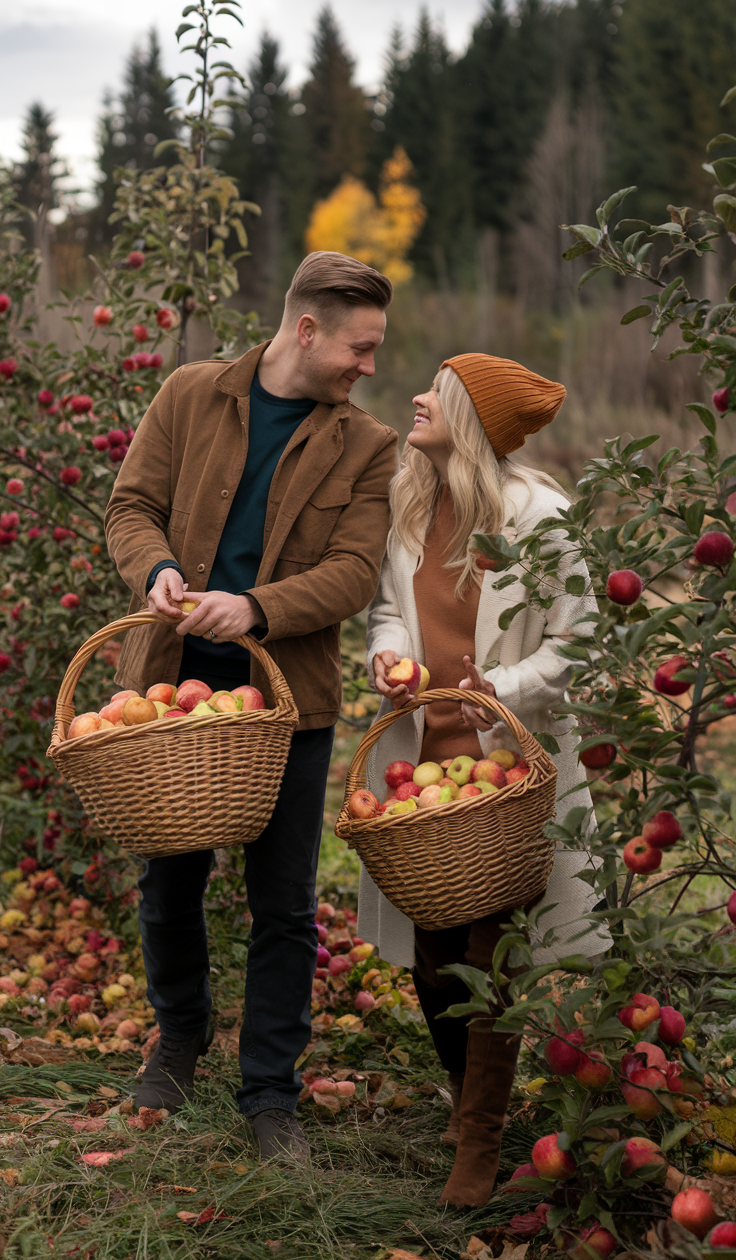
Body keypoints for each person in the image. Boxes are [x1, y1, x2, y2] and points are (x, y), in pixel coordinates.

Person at [104, 251, 398, 1160]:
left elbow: (352, 572)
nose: (370, 366)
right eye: (360, 346)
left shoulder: (367, 446)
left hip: (284, 701)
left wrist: (260, 609)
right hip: (167, 684)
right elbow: (132, 506)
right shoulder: (193, 396)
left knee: (285, 902)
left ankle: (270, 1093)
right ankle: (179, 1037)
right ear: (305, 329)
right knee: (168, 882)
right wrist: (157, 570)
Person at [358, 353, 609, 1208]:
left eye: (439, 390)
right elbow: (391, 609)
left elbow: (577, 643)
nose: (418, 397)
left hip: (510, 767)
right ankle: (473, 1095)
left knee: (490, 950)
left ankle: (479, 1136)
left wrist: (494, 689)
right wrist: (388, 654)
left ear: (472, 420)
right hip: (425, 762)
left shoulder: (544, 518)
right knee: (433, 950)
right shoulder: (410, 507)